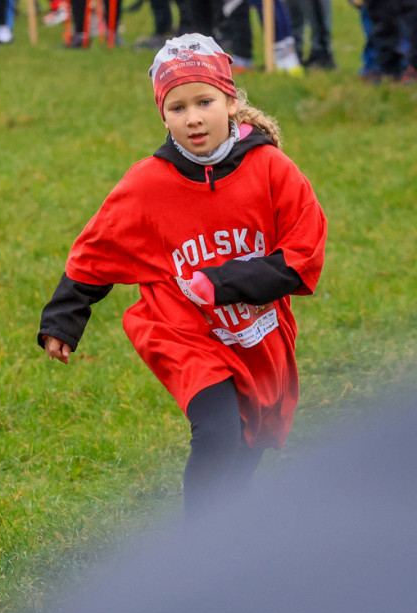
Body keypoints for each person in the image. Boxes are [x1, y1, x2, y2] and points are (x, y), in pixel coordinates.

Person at [37, 34, 326, 517]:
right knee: (217, 433)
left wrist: (225, 282)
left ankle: (223, 535)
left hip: (254, 331)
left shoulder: (271, 169)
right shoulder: (148, 182)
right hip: (181, 331)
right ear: (162, 114)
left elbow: (302, 254)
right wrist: (64, 318)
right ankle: (198, 547)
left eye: (205, 101)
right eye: (177, 107)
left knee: (248, 445)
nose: (192, 117)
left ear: (230, 101)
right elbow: (99, 248)